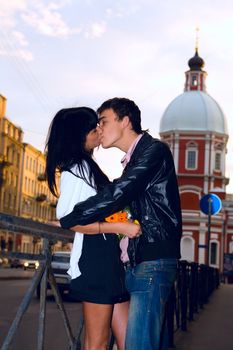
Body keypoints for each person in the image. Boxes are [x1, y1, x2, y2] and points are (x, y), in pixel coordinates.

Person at [60, 98, 182, 350]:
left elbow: (119, 193)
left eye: (103, 121)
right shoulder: (132, 160)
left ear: (125, 121)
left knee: (139, 344)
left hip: (153, 259)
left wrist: (72, 217)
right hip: (138, 261)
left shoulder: (153, 151)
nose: (99, 129)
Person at [45, 106, 141, 350]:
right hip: (95, 260)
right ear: (80, 134)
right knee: (97, 342)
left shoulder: (87, 167)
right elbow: (70, 218)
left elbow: (77, 213)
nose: (99, 130)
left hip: (109, 261)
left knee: (130, 340)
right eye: (94, 127)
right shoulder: (77, 169)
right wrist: (120, 226)